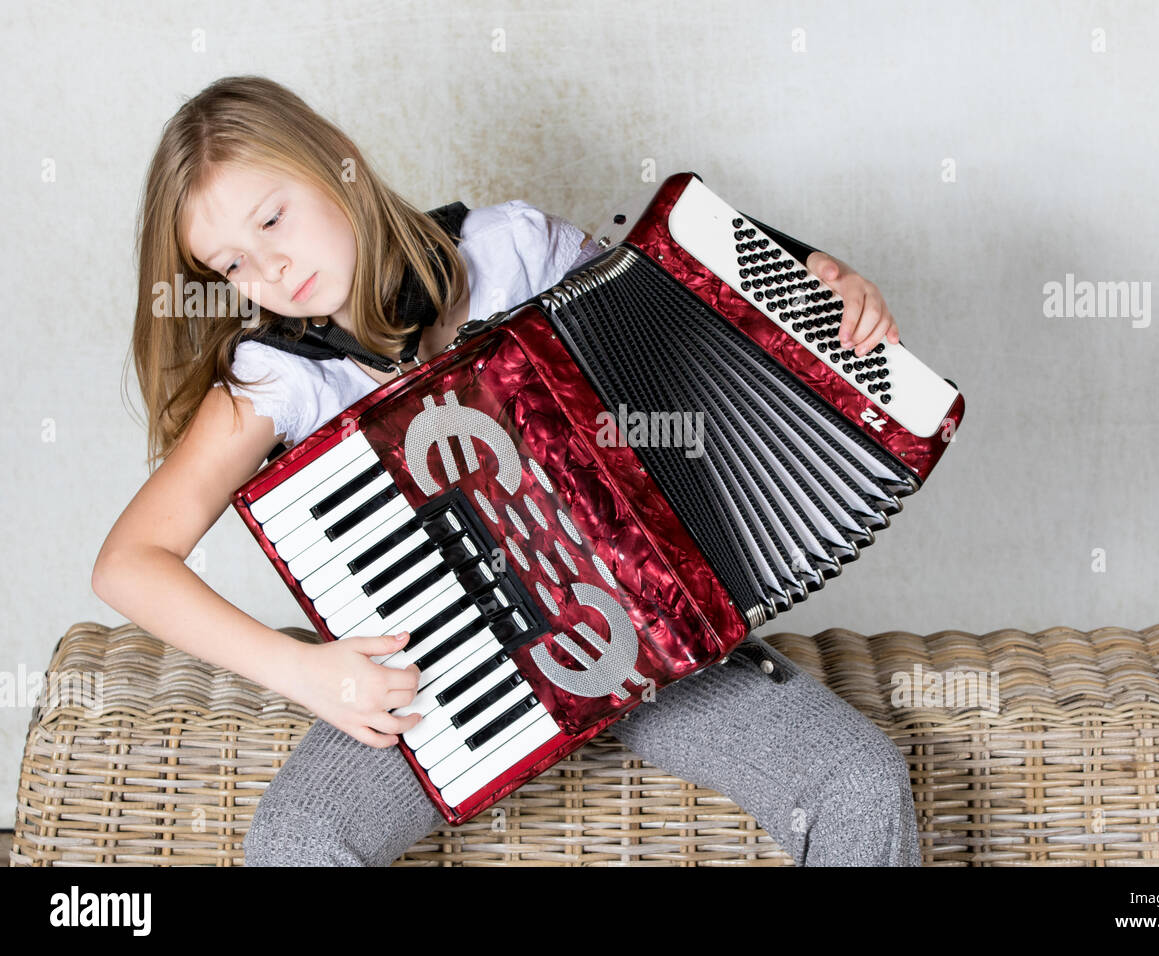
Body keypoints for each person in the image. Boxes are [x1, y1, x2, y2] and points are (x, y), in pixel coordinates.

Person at [92, 74, 920, 867]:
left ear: (336, 158)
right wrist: (303, 670)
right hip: (442, 680)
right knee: (299, 838)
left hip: (652, 633)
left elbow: (680, 313)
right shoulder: (278, 380)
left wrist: (810, 287)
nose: (266, 272)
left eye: (271, 220)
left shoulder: (510, 251)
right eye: (230, 264)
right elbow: (129, 564)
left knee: (858, 783)